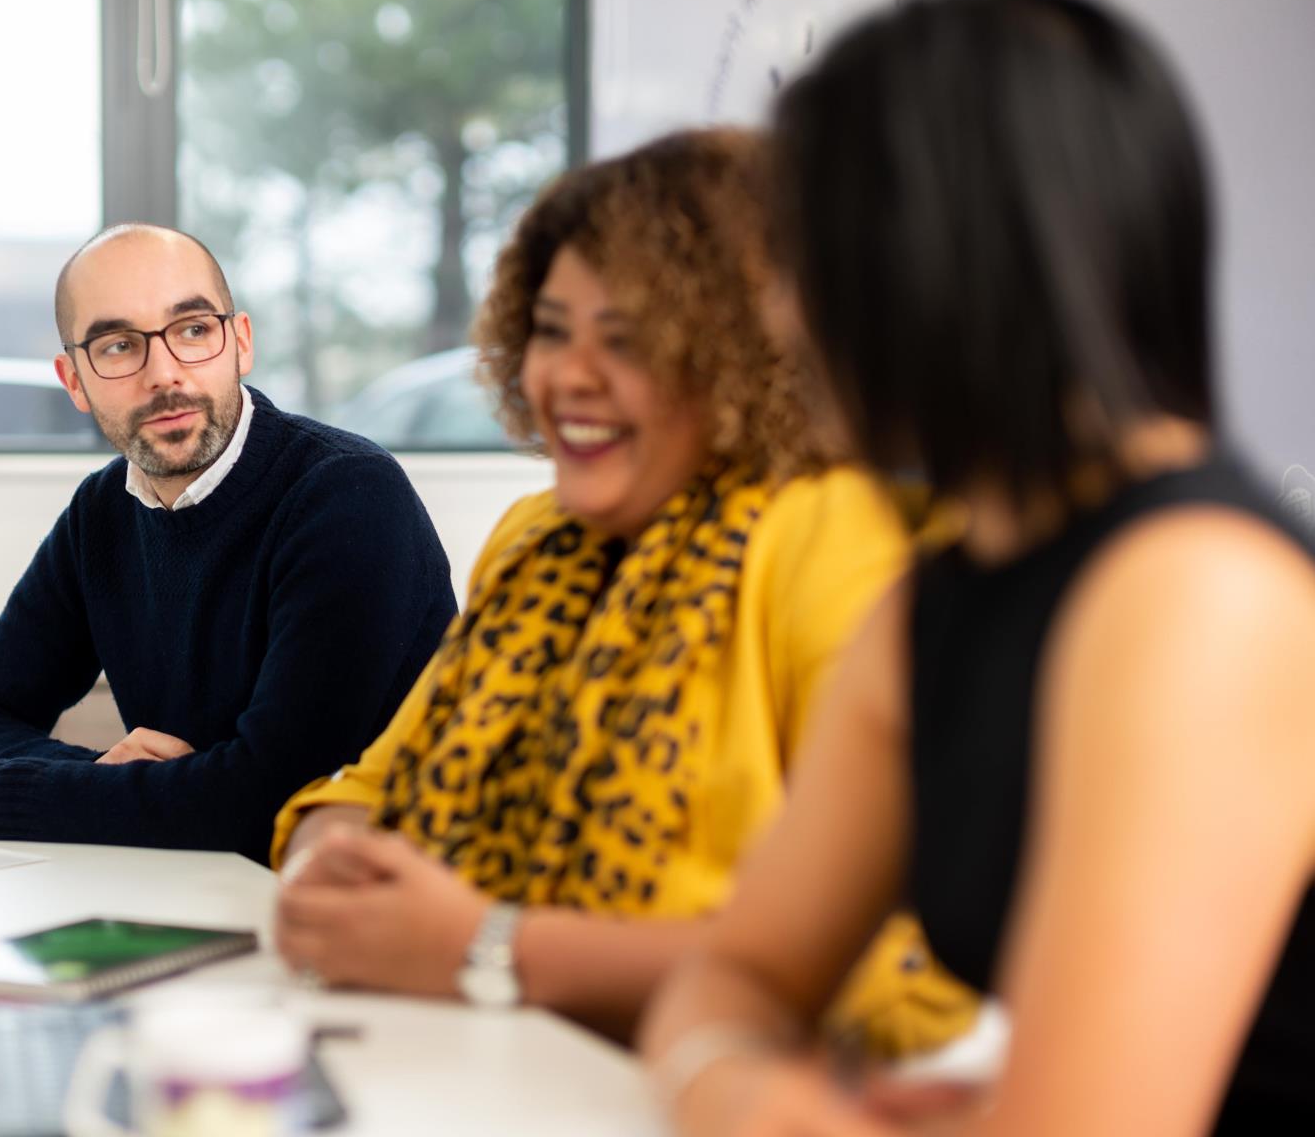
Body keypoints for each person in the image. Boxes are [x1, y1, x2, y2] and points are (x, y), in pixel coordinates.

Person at [639, 0, 1315, 1136]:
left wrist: (760, 1097)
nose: (778, 311)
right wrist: (749, 1087)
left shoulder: (1202, 594)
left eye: (801, 256)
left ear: (928, 255)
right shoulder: (939, 598)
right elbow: (730, 975)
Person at [270, 129, 976, 1051]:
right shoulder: (534, 536)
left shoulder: (831, 534)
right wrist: (334, 865)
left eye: (630, 340)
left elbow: (900, 969)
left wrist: (488, 951)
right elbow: (366, 788)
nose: (569, 377)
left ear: (740, 358)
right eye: (553, 331)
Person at [0, 224, 457, 863]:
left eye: (192, 331)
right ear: (74, 380)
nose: (164, 373)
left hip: (384, 899)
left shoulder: (348, 494)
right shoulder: (101, 513)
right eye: (119, 344)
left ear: (239, 343)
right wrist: (104, 776)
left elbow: (271, 799)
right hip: (203, 880)